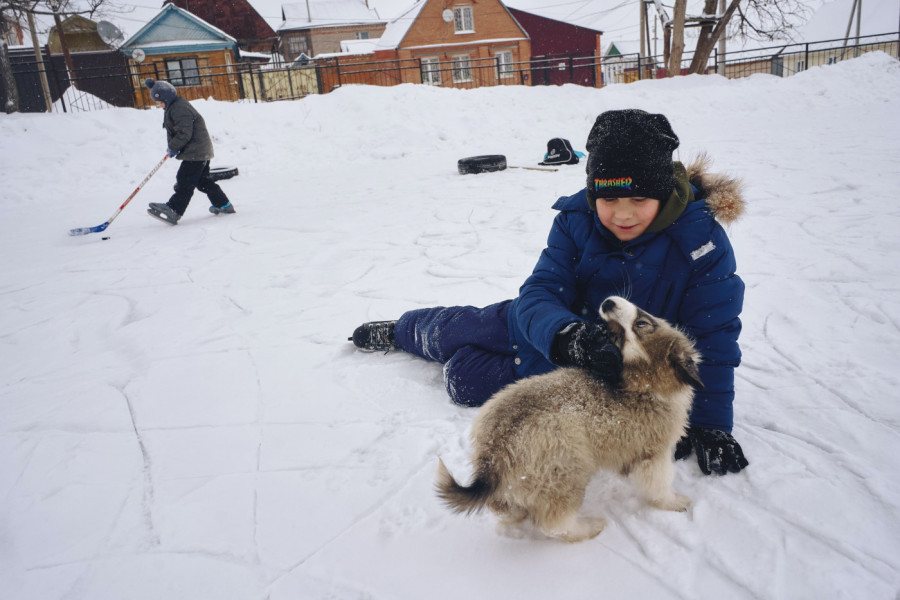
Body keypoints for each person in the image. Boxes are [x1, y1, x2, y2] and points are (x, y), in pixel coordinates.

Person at [350, 109, 749, 476]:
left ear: (663, 195)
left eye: (639, 199)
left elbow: (713, 334)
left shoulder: (701, 245)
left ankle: (453, 363)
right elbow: (541, 290)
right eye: (609, 198)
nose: (623, 214)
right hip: (541, 329)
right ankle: (404, 331)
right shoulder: (577, 222)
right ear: (594, 193)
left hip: (577, 375)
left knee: (463, 382)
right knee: (458, 328)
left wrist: (710, 423)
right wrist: (565, 336)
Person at [144, 78, 236, 225]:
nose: (159, 105)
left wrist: (173, 147)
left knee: (184, 180)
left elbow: (184, 132)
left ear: (166, 98)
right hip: (200, 150)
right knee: (202, 181)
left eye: (160, 101)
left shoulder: (179, 108)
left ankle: (174, 210)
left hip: (196, 151)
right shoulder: (175, 106)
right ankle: (223, 204)